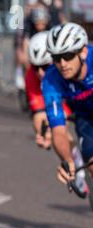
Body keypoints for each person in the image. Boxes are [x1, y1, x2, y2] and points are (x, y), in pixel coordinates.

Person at [42, 23, 92, 188]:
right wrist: (67, 159)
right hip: (85, 117)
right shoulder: (51, 80)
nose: (62, 64)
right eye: (56, 58)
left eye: (68, 55)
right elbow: (58, 130)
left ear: (83, 52)